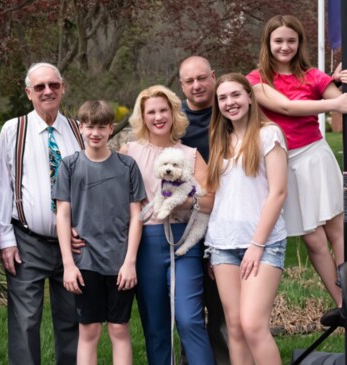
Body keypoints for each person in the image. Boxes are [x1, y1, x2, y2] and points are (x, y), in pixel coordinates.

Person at [246, 15, 347, 320]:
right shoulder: (256, 80)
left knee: (336, 230)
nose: (285, 46)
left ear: (299, 43)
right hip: (281, 164)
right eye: (279, 41)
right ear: (268, 43)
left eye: (291, 40)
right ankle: (342, 304)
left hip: (314, 155)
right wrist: (333, 104)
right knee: (312, 238)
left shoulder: (314, 76)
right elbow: (286, 107)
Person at [120, 85, 215, 365]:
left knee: (189, 319)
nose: (158, 117)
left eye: (164, 110)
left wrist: (182, 202)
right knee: (156, 325)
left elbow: (210, 201)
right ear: (142, 116)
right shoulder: (129, 152)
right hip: (145, 242)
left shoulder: (191, 154)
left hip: (183, 240)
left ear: (174, 114)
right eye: (151, 112)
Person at [0, 62, 82, 365]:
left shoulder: (77, 129)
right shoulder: (13, 129)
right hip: (26, 241)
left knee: (72, 317)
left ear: (63, 88)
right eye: (40, 87)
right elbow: (2, 186)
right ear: (28, 92)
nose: (48, 91)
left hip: (72, 243)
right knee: (24, 321)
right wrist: (6, 239)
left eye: (53, 85)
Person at [54, 100, 146, 365]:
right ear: (80, 128)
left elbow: (136, 215)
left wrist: (130, 262)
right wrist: (68, 265)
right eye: (89, 126)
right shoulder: (69, 166)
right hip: (85, 261)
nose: (95, 132)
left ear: (110, 129)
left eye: (101, 127)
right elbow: (62, 214)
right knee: (89, 329)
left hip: (120, 261)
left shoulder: (126, 166)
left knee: (119, 329)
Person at [205, 73, 288, 364]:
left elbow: (278, 193)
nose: (230, 103)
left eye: (236, 95)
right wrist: (212, 245)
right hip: (223, 245)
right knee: (236, 327)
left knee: (253, 325)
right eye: (223, 98)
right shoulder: (219, 138)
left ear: (250, 98)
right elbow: (220, 196)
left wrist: (256, 244)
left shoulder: (269, 134)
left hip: (263, 244)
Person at [179, 55, 230, 365]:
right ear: (182, 85)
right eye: (189, 81)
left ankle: (226, 359)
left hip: (229, 221)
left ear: (213, 76)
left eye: (202, 78)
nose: (197, 85)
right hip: (189, 222)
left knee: (224, 306)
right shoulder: (176, 121)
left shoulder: (229, 111)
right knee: (190, 308)